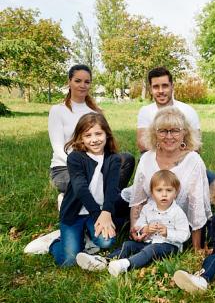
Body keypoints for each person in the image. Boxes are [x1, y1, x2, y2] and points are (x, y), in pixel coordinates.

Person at [24, 65, 134, 255]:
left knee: (126, 159)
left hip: (96, 162)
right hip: (65, 167)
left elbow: (103, 139)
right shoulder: (58, 110)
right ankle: (68, 221)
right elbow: (58, 147)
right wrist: (84, 164)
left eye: (87, 82)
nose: (82, 85)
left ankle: (107, 206)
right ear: (69, 82)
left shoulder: (95, 110)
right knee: (83, 184)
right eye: (78, 81)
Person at [127, 106, 212, 251]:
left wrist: (197, 248)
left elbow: (196, 206)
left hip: (177, 226)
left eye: (175, 130)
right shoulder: (147, 158)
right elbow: (138, 200)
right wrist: (135, 229)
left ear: (184, 132)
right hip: (150, 221)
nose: (169, 136)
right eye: (163, 131)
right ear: (155, 133)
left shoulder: (193, 161)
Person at [75, 170, 190, 276]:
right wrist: (145, 229)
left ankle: (126, 265)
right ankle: (104, 261)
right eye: (159, 190)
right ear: (152, 193)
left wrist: (167, 233)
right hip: (148, 242)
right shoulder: (148, 208)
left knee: (151, 250)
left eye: (169, 190)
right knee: (128, 245)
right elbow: (138, 227)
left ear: (176, 192)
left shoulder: (177, 212)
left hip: (169, 246)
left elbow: (185, 234)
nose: (164, 194)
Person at [48, 113, 123, 266]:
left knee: (106, 242)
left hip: (100, 211)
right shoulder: (75, 158)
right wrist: (98, 215)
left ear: (107, 134)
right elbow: (80, 188)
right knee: (69, 261)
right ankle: (55, 243)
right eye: (88, 135)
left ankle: (87, 236)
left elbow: (112, 188)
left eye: (98, 133)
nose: (94, 139)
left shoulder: (113, 159)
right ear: (81, 138)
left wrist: (106, 213)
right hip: (73, 213)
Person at [136, 67, 200, 153]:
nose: (161, 91)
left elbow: (196, 145)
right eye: (156, 87)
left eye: (165, 86)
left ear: (172, 87)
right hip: (153, 160)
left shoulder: (188, 111)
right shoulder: (145, 111)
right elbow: (142, 145)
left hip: (183, 159)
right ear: (151, 89)